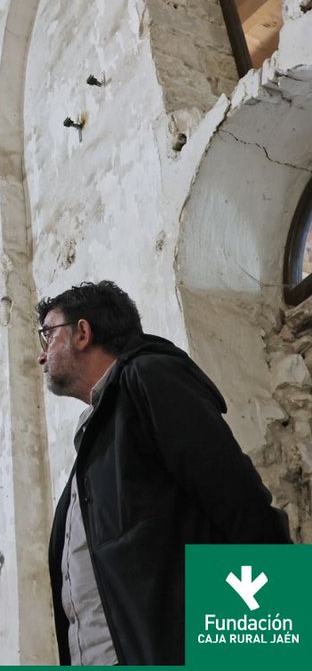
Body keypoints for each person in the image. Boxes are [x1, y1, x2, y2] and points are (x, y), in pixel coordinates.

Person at [37, 280, 291, 666]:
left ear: (83, 333)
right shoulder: (95, 446)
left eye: (48, 336)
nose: (42, 357)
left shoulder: (149, 377)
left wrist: (270, 645)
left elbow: (239, 503)